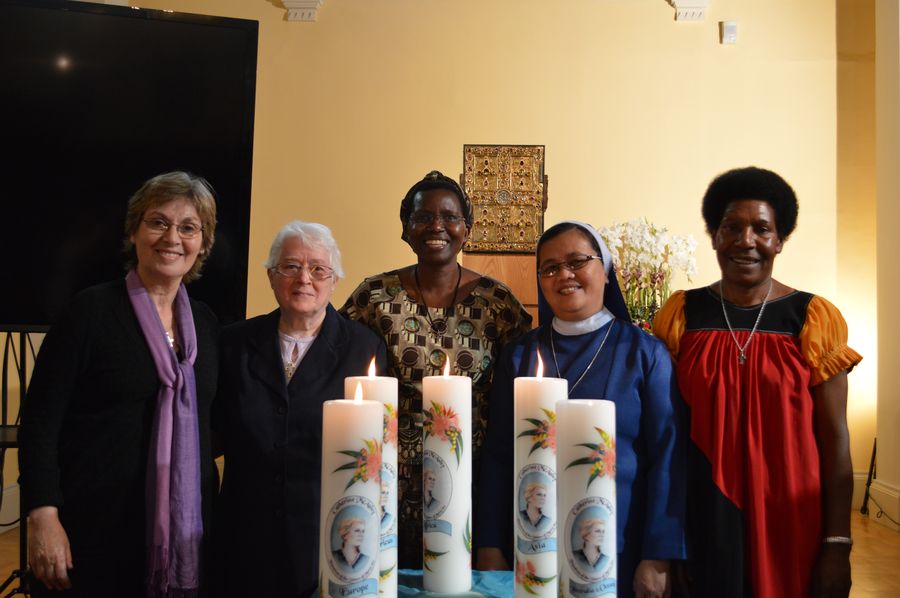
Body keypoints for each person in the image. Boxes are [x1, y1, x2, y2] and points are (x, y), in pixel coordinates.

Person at [653, 167, 861, 598]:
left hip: (791, 521)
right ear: (713, 236)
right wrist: (666, 543)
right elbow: (665, 438)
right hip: (703, 516)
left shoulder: (812, 318)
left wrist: (837, 546)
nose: (745, 241)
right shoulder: (682, 316)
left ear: (779, 239)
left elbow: (836, 444)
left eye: (761, 229)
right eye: (731, 227)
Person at [19, 171, 220, 597]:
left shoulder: (206, 324)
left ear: (203, 243)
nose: (172, 237)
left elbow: (211, 426)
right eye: (158, 222)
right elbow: (40, 421)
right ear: (134, 231)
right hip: (90, 533)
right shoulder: (89, 312)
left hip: (181, 537)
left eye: (188, 227)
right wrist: (42, 515)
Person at [477, 220, 686, 597]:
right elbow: (497, 456)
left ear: (605, 270)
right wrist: (490, 545)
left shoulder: (644, 353)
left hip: (619, 546)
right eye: (551, 267)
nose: (564, 275)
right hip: (531, 548)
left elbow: (667, 458)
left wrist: (658, 557)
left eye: (577, 261)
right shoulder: (521, 354)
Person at [340, 170, 532, 567]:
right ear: (405, 230)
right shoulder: (373, 297)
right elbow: (342, 371)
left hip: (471, 476)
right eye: (422, 217)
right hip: (385, 476)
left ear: (468, 227)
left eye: (449, 217)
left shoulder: (499, 302)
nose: (436, 227)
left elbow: (518, 393)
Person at [213, 221, 389, 597]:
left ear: (335, 279)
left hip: (325, 539)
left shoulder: (363, 349)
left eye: (318, 269)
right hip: (243, 538)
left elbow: (375, 453)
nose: (304, 279)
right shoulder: (232, 344)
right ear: (271, 276)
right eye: (291, 266)